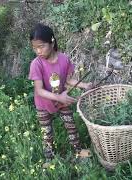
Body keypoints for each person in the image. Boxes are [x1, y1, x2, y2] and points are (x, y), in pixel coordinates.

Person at [28, 23, 92, 168]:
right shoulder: (36, 64)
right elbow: (39, 90)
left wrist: (84, 85)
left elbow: (69, 80)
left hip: (62, 100)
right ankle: (49, 159)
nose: (38, 51)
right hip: (44, 104)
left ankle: (78, 151)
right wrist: (59, 97)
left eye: (41, 46)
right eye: (34, 47)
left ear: (52, 41)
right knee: (47, 132)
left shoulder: (64, 59)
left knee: (71, 126)